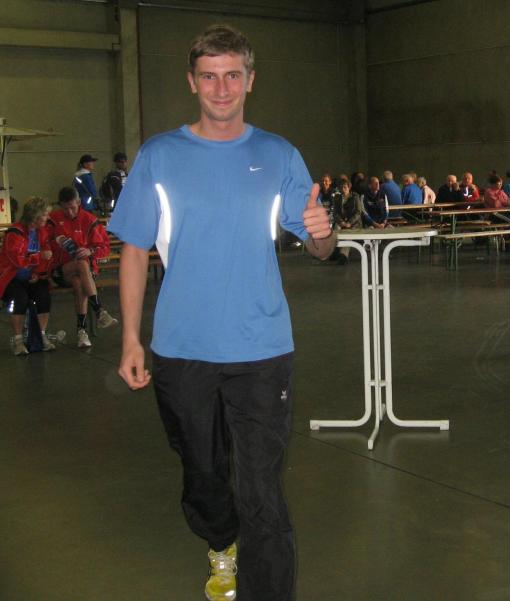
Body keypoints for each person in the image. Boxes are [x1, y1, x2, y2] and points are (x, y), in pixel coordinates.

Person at [109, 24, 335, 601]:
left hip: (262, 348)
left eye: (233, 75)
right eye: (209, 76)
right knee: (204, 475)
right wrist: (131, 338)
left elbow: (319, 246)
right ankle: (220, 540)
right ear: (192, 82)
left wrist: (322, 232)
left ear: (250, 80)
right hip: (182, 348)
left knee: (262, 489)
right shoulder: (160, 155)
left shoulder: (278, 154)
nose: (222, 88)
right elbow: (134, 249)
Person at [49, 186, 117, 348]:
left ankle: (82, 332)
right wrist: (57, 243)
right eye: (65, 208)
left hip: (83, 273)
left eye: (72, 207)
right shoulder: (52, 220)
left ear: (79, 202)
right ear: (60, 205)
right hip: (60, 271)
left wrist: (90, 250)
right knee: (81, 264)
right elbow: (43, 244)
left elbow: (104, 247)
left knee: (79, 282)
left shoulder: (89, 220)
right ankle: (99, 310)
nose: (69, 212)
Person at [0, 196, 55, 355]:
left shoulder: (41, 232)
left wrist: (37, 273)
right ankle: (18, 340)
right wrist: (39, 256)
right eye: (44, 214)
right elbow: (17, 260)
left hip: (31, 276)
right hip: (11, 277)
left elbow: (45, 258)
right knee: (20, 298)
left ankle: (41, 336)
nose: (47, 217)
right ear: (35, 216)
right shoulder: (15, 233)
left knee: (44, 294)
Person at [332, 178, 363, 264]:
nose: (343, 189)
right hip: (342, 222)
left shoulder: (355, 197)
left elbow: (358, 212)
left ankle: (343, 255)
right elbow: (335, 213)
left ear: (349, 187)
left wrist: (349, 223)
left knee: (348, 234)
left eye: (345, 187)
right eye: (341, 187)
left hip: (354, 223)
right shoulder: (337, 198)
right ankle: (335, 250)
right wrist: (341, 222)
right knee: (336, 228)